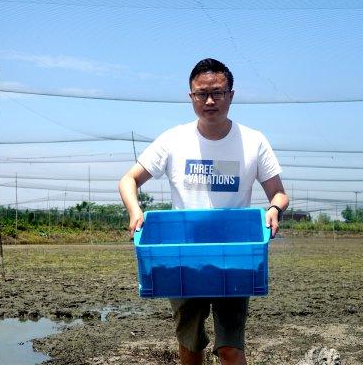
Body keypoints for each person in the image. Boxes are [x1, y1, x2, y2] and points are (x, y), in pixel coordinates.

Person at [118, 58, 288, 365]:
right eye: (201, 94)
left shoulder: (254, 141)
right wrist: (135, 211)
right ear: (191, 97)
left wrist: (274, 208)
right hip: (183, 256)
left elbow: (278, 192)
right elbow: (129, 180)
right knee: (190, 344)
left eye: (218, 92)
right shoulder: (173, 140)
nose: (210, 100)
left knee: (230, 347)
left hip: (234, 257)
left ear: (231, 95)